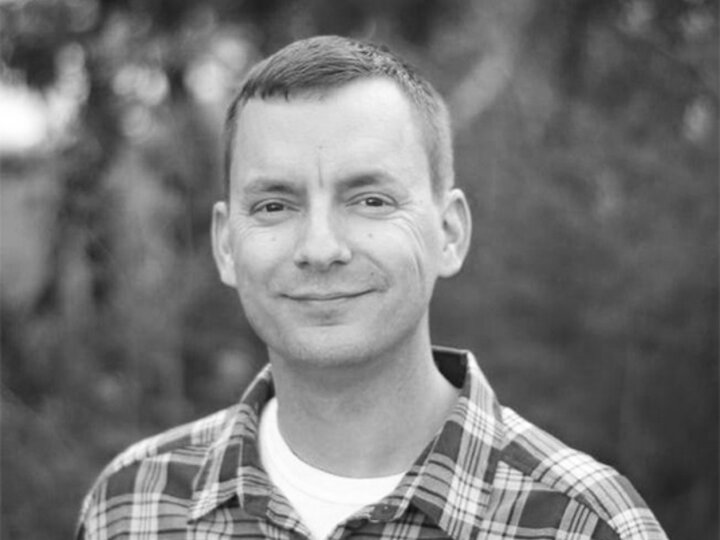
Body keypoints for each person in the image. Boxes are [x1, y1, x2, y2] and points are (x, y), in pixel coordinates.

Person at [77, 35, 667, 540]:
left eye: (371, 200)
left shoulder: (582, 523)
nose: (320, 248)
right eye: (274, 204)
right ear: (226, 245)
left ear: (450, 233)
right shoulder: (133, 508)